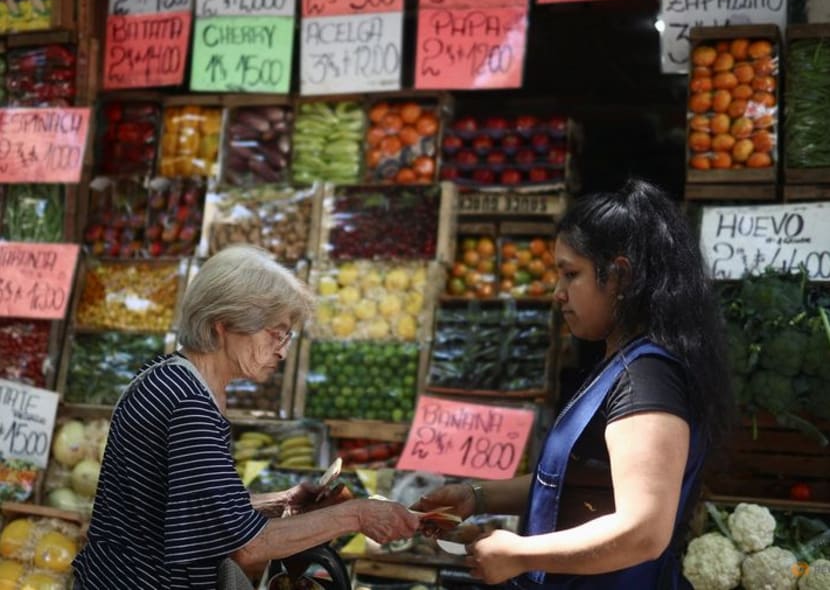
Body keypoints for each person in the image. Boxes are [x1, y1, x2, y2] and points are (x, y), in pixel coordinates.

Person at [414, 179, 734, 589]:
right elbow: (580, 476)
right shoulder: (623, 363)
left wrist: (519, 553)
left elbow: (644, 531)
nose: (557, 293)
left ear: (620, 276)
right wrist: (478, 496)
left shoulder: (648, 381)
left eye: (571, 274)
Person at [73, 245, 419, 589]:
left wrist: (276, 502)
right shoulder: (189, 404)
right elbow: (245, 547)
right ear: (223, 324)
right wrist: (356, 515)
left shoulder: (169, 375)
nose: (283, 351)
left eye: (287, 335)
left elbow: (188, 505)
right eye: (274, 333)